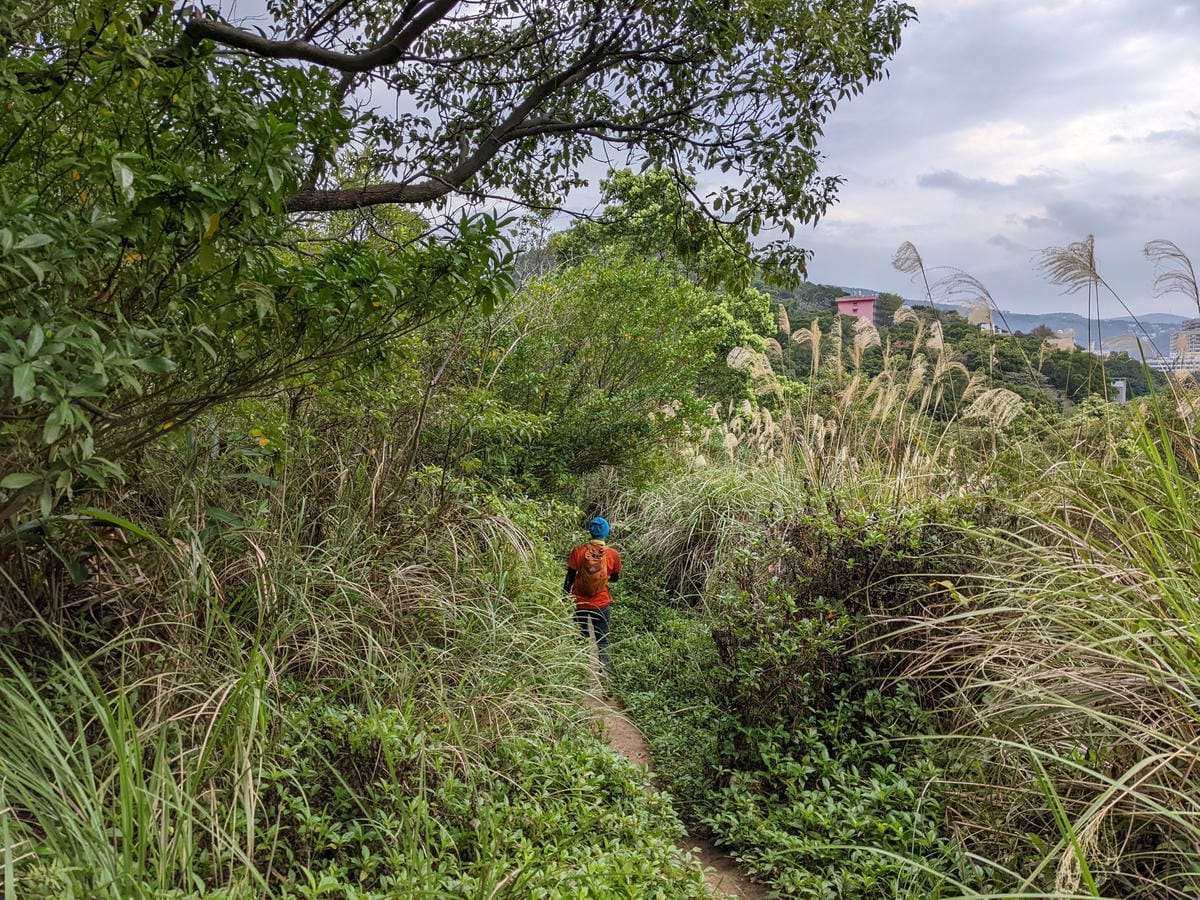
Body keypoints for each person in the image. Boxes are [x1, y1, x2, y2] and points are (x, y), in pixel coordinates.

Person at [564, 516, 622, 675]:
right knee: (602, 640)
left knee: (580, 638)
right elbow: (615, 578)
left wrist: (564, 596)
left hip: (580, 603)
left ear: (590, 531)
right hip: (602, 603)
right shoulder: (613, 554)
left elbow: (569, 577)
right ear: (606, 532)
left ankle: (578, 674)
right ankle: (605, 674)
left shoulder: (579, 551)